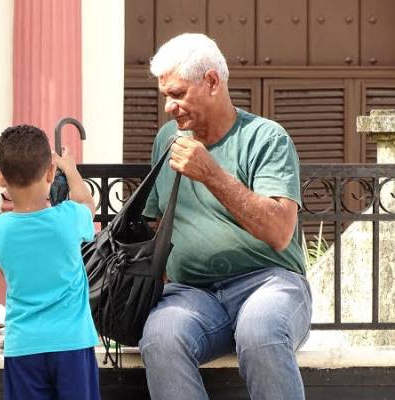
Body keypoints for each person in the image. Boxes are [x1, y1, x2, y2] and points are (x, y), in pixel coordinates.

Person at [139, 33, 312, 400]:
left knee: (261, 333)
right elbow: (154, 225)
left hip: (269, 284)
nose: (169, 106)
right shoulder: (166, 140)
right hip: (192, 294)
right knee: (160, 338)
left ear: (212, 81)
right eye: (165, 96)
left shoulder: (266, 138)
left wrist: (211, 173)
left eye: (178, 94)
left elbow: (280, 231)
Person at [0, 124, 100, 400]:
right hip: (72, 341)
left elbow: (5, 271)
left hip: (23, 344)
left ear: (0, 177)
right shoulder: (69, 218)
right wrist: (70, 169)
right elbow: (88, 206)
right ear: (50, 172)